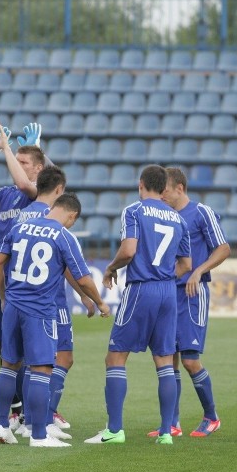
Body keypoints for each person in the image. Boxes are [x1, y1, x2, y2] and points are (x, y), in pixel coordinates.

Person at [0, 193, 111, 447]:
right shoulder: (63, 236)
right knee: (42, 369)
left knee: (8, 365)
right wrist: (100, 302)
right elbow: (84, 278)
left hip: (12, 305)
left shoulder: (19, 227)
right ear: (71, 215)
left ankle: (3, 426)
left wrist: (4, 297)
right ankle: (38, 435)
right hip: (40, 310)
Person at [85, 165, 192, 445]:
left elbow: (129, 249)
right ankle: (167, 432)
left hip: (141, 289)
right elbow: (187, 265)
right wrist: (166, 276)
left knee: (115, 357)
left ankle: (115, 430)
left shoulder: (134, 211)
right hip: (168, 292)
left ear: (141, 184)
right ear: (164, 187)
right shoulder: (179, 219)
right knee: (165, 361)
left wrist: (110, 267)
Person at [8, 165, 96, 441]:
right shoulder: (57, 228)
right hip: (48, 299)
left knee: (17, 361)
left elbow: (2, 259)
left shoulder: (24, 216)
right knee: (53, 361)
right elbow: (71, 266)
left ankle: (18, 420)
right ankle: (41, 421)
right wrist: (93, 298)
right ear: (59, 191)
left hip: (16, 296)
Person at [0, 121, 49, 428]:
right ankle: (15, 408)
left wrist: (7, 148)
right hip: (2, 281)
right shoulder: (5, 195)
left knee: (32, 350)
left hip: (28, 283)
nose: (18, 164)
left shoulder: (36, 195)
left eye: (24, 161)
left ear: (39, 168)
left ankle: (33, 412)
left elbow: (27, 185)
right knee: (5, 347)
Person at [146, 167, 230, 438]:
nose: (162, 195)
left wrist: (198, 270)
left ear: (179, 188)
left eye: (166, 190)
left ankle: (211, 416)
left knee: (191, 360)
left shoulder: (201, 212)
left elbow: (224, 248)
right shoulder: (164, 215)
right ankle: (172, 423)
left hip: (193, 293)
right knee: (169, 359)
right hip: (169, 292)